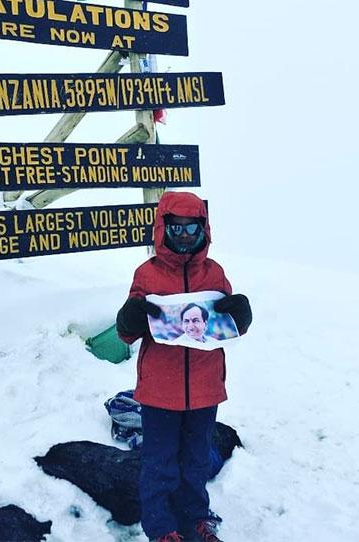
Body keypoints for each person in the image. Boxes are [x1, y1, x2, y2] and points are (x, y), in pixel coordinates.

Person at [116, 191, 252, 542]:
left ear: (204, 230)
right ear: (162, 229)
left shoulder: (215, 273)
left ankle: (195, 520)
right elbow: (126, 333)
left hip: (205, 388)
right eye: (176, 230)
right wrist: (131, 316)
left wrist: (242, 316)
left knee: (195, 462)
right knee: (159, 463)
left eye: (192, 229)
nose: (185, 236)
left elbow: (226, 325)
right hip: (160, 390)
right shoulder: (146, 274)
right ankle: (162, 528)